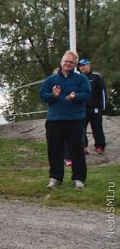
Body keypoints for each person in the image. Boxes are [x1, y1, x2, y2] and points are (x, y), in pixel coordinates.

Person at [39, 51, 90, 189]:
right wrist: (53, 95)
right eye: (66, 61)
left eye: (71, 62)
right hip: (54, 120)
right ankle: (55, 178)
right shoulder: (51, 80)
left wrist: (75, 97)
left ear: (75, 65)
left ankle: (78, 179)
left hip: (75, 120)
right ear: (61, 62)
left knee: (77, 150)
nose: (68, 64)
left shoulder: (81, 79)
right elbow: (43, 96)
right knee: (54, 150)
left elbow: (87, 94)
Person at [77, 58, 107, 155]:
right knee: (81, 129)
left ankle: (100, 146)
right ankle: (83, 147)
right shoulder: (78, 78)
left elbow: (103, 92)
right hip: (82, 109)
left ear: (89, 65)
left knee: (97, 128)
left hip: (95, 108)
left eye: (84, 65)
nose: (82, 67)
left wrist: (102, 106)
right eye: (80, 66)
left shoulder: (96, 76)